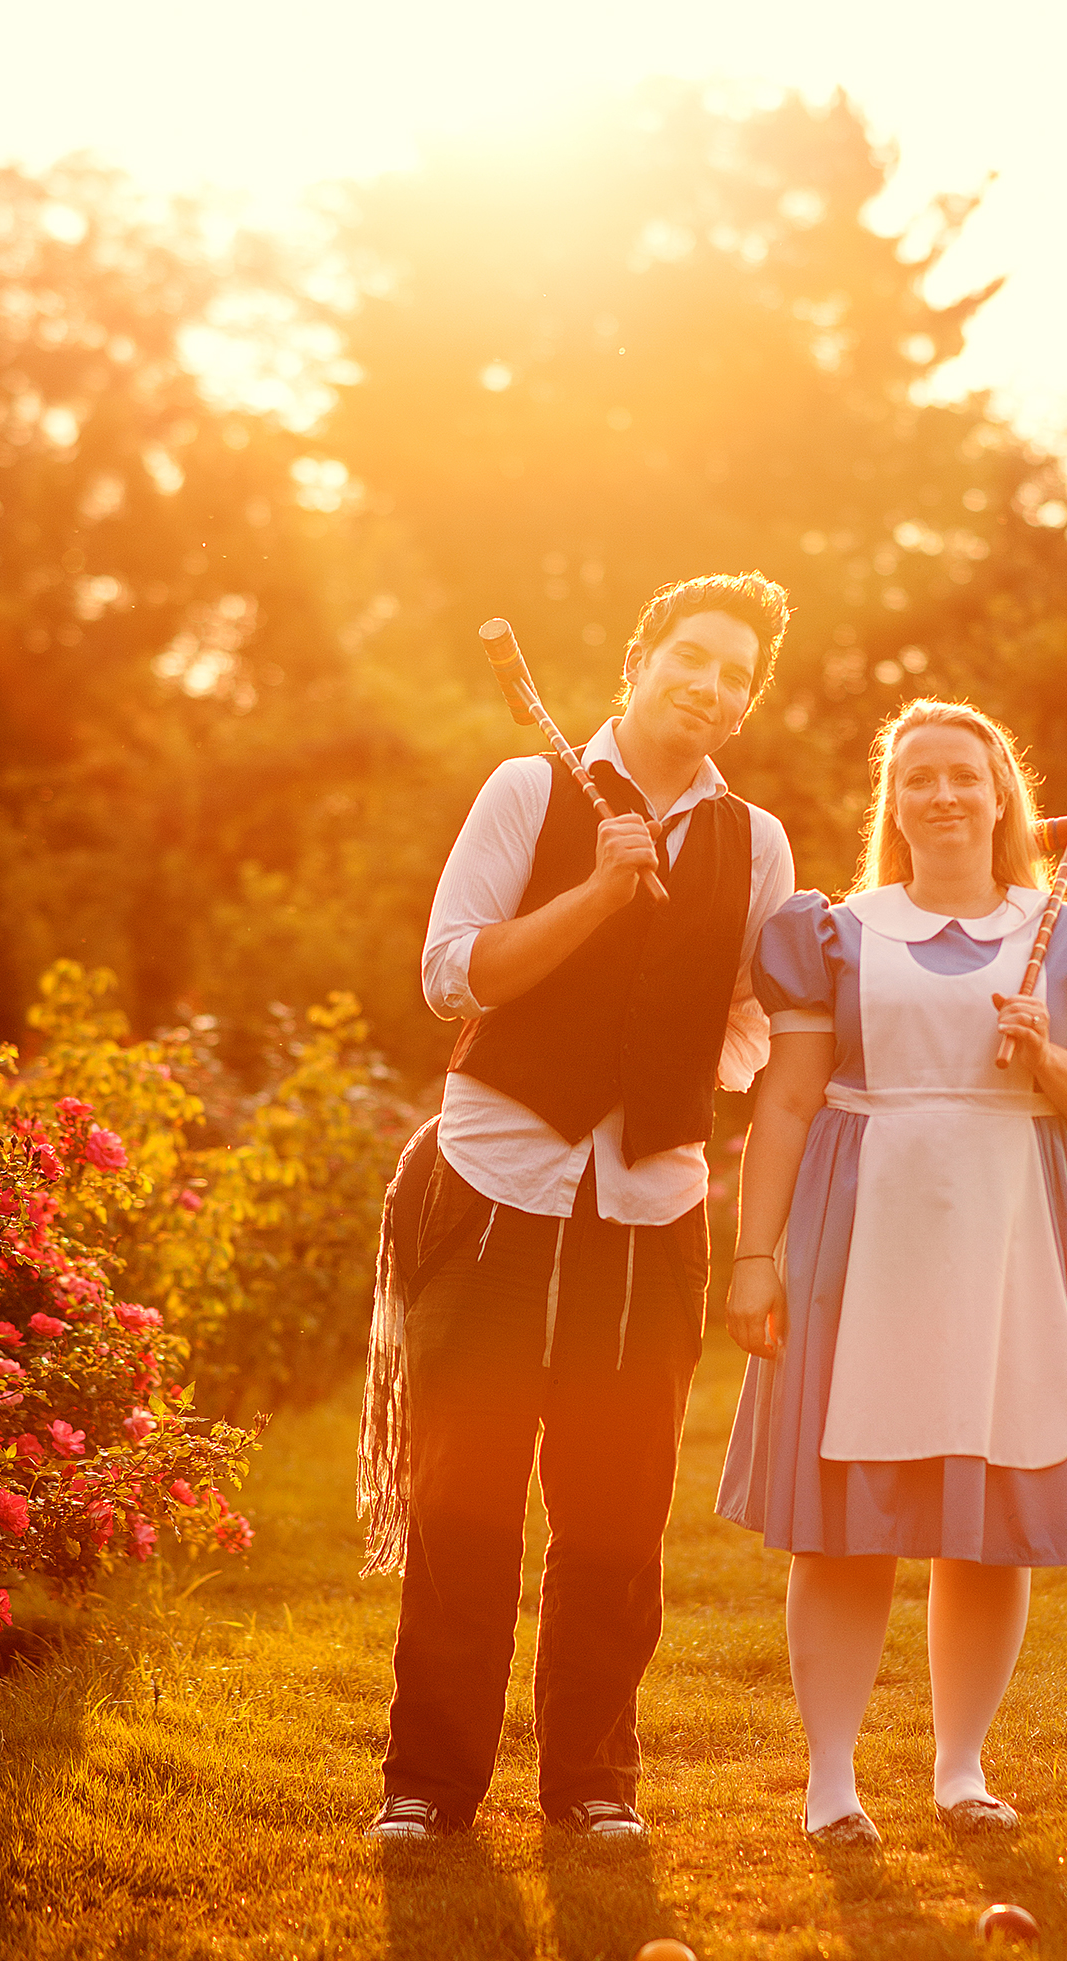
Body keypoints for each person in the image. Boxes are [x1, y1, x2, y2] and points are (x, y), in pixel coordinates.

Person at [361, 573, 796, 1841]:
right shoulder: (529, 791)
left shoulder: (752, 840)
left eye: (737, 675)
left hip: (651, 1203)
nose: (711, 687)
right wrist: (601, 895)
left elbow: (763, 1016)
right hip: (496, 1188)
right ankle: (429, 1785)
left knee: (615, 1518)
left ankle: (595, 1782)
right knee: (463, 1503)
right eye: (693, 658)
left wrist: (671, 1066)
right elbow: (454, 976)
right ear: (640, 659)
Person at [715, 696, 1067, 1846]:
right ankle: (831, 1781)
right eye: (917, 776)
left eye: (964, 774)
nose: (943, 794)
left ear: (1000, 791)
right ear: (895, 801)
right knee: (845, 1519)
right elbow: (784, 1095)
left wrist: (1045, 1050)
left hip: (1018, 1230)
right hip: (863, 1227)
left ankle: (960, 1769)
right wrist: (754, 1256)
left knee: (988, 1512)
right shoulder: (836, 931)